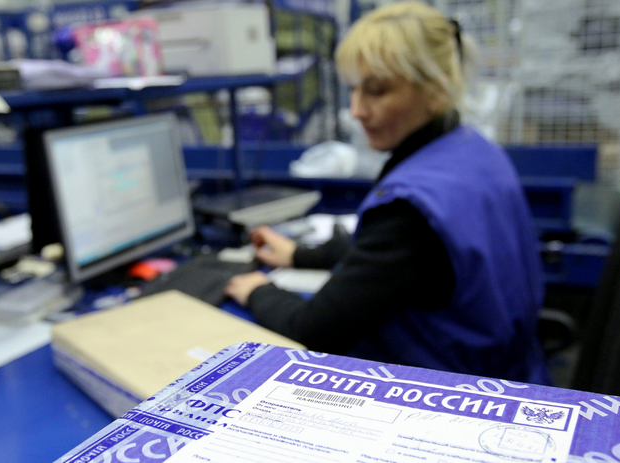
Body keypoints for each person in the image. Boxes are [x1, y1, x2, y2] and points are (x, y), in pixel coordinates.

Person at [224, 1, 551, 384]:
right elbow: (408, 261)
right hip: (512, 371)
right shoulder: (473, 150)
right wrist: (301, 255)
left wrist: (257, 290)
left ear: (436, 89)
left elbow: (313, 330)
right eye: (353, 89)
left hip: (448, 390)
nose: (356, 110)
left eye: (377, 91)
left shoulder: (411, 207)